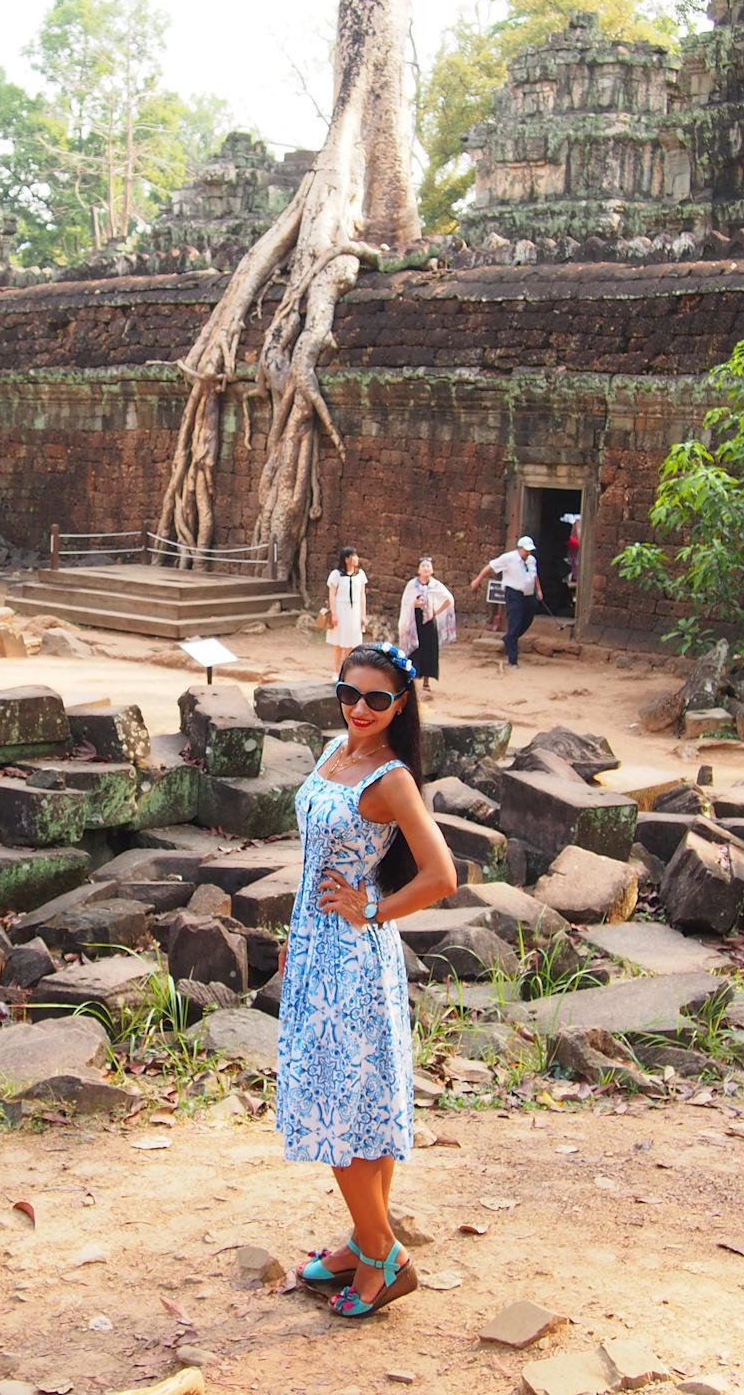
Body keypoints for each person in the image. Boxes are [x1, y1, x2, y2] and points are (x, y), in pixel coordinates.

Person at [278, 643, 458, 1318]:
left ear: (401, 704)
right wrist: (296, 938)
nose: (359, 709)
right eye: (348, 695)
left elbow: (442, 875)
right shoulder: (337, 749)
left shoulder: (391, 778)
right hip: (318, 945)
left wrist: (373, 907)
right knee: (361, 1105)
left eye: (376, 700)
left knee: (339, 1107)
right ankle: (363, 1238)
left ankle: (386, 1255)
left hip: (352, 957)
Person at [471, 535, 544, 670]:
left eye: (530, 551)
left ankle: (509, 638)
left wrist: (538, 590)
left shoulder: (531, 560)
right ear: (519, 548)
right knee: (515, 623)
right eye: (526, 550)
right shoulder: (508, 558)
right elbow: (490, 566)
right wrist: (478, 580)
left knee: (527, 619)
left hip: (529, 594)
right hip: (514, 593)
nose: (528, 553)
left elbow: (535, 575)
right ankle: (513, 659)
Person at [396, 557, 456, 698]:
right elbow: (405, 602)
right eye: (423, 566)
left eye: (428, 566)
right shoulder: (412, 585)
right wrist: (414, 604)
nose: (426, 568)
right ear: (418, 569)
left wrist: (436, 611)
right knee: (414, 650)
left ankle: (426, 681)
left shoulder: (436, 585)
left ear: (432, 569)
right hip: (414, 621)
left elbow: (449, 599)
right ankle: (410, 680)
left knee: (429, 651)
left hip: (429, 622)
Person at [326, 546, 367, 674]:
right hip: (341, 608)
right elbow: (332, 594)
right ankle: (337, 670)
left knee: (351, 642)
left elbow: (362, 595)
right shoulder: (336, 574)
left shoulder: (360, 574)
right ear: (347, 559)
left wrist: (363, 614)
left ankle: (346, 670)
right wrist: (334, 613)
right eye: (354, 556)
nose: (357, 559)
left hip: (354, 610)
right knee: (339, 642)